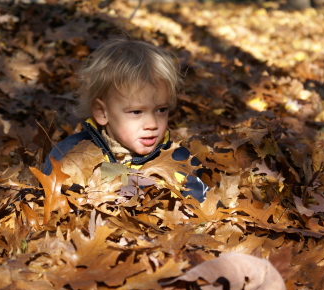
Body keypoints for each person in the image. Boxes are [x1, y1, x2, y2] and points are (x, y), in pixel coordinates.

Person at [43, 36, 208, 202]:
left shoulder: (179, 160)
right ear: (101, 112)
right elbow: (54, 199)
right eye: (136, 112)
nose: (152, 124)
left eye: (161, 110)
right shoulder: (73, 153)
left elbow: (201, 208)